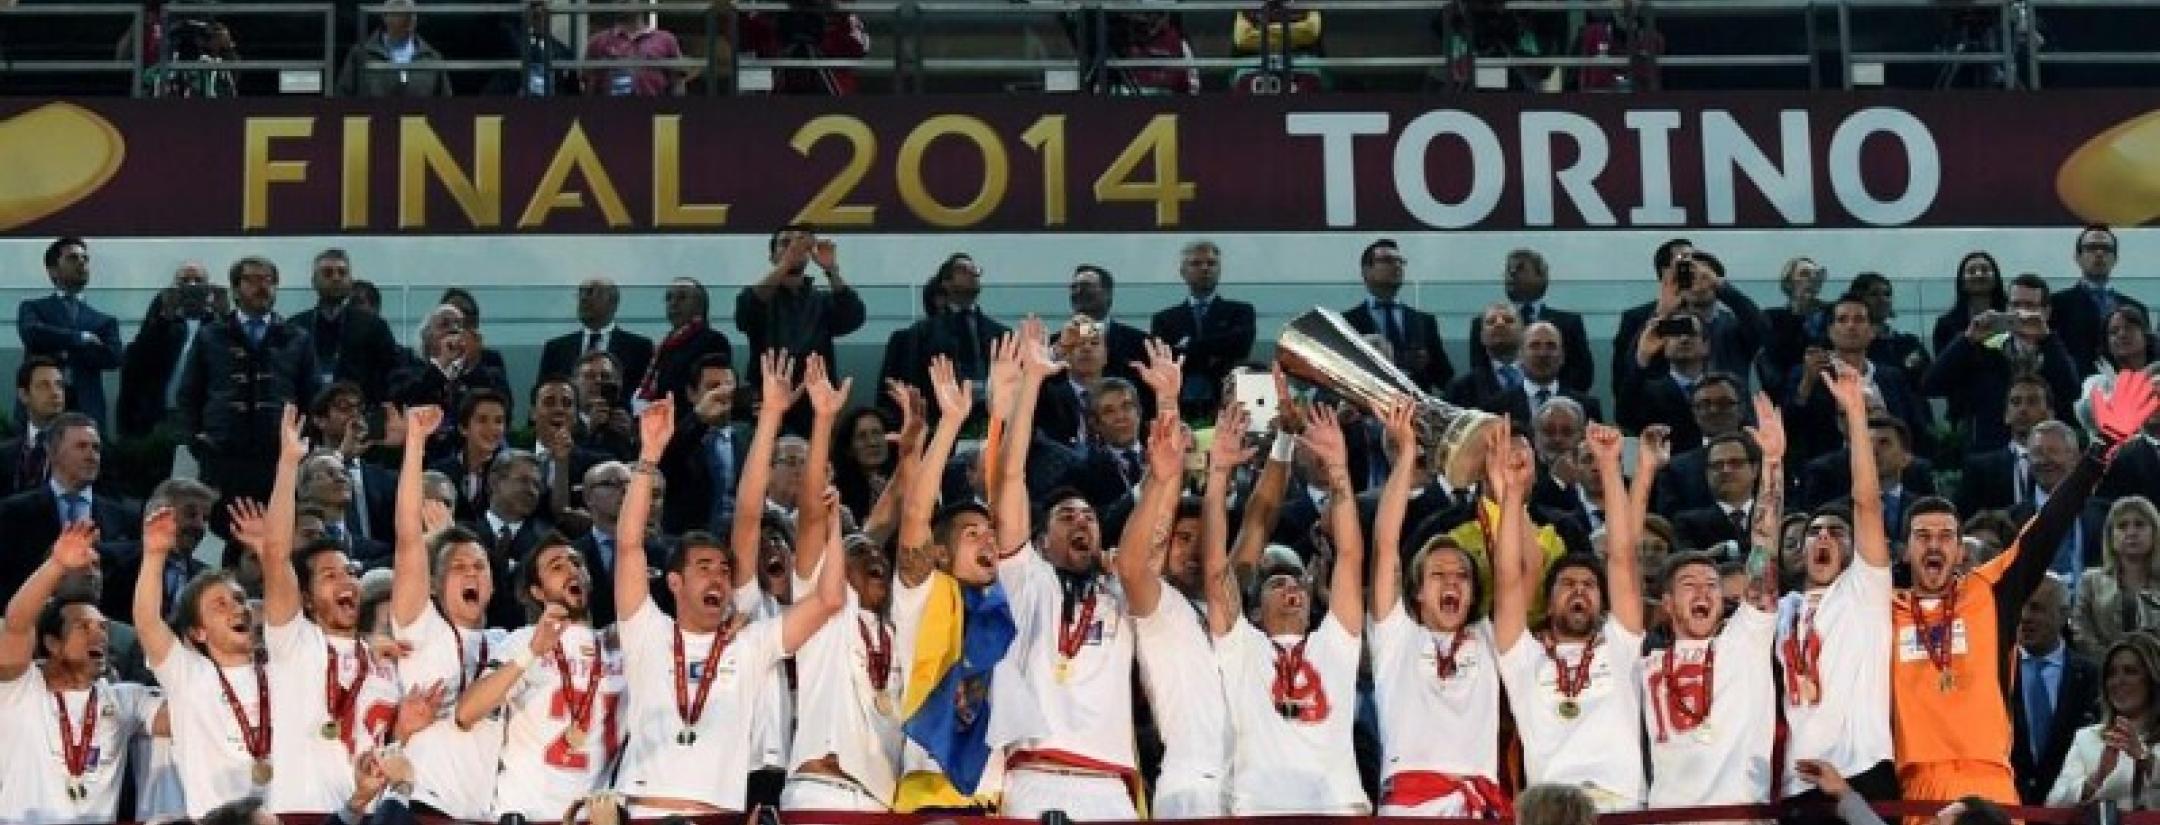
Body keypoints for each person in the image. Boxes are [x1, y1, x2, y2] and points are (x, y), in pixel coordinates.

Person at [1890, 368, 2156, 806]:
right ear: (1904, 551)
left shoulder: (1988, 589)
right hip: (1914, 792)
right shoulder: (1885, 608)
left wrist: (2100, 450)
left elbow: (2046, 528)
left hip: (1989, 786)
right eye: (1922, 536)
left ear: (1961, 551)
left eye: (1945, 536)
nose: (1934, 545)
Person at [612, 389, 845, 816]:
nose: (718, 575)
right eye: (705, 566)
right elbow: (628, 546)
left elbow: (830, 599)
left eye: (724, 568)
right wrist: (648, 457)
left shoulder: (751, 642)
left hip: (720, 811)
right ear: (676, 581)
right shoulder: (646, 630)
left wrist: (833, 530)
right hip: (645, 808)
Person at [132, 407, 301, 817]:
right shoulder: (189, 674)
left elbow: (283, 591)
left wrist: (288, 465)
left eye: (240, 600)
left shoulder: (283, 664)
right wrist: (154, 556)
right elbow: (148, 622)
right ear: (198, 633)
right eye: (219, 605)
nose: (237, 609)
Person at [1204, 400, 1369, 814]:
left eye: (1296, 582)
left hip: (1338, 805)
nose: (1291, 587)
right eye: (1276, 583)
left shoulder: (1335, 643)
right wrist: (1219, 475)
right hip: (1258, 807)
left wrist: (1338, 471)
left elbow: (1350, 556)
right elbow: (1215, 570)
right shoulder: (1241, 646)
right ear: (1254, 611)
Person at [1496, 414, 1650, 811]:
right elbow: (1510, 577)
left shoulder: (1621, 644)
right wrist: (1512, 495)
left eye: (1589, 586)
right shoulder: (1521, 654)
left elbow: (1622, 558)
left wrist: (1610, 468)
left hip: (1621, 807)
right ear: (1547, 603)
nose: (1579, 590)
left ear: (1603, 602)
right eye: (1567, 584)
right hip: (1549, 810)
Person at [1367, 395, 1508, 816]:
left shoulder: (1489, 637)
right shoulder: (1396, 637)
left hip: (1479, 805)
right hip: (1410, 806)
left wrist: (1502, 490)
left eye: (1462, 576)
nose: (1452, 583)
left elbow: (1509, 570)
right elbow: (1385, 546)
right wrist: (1407, 455)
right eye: (1439, 576)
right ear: (1417, 592)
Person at [1644, 394, 1783, 810]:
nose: (1704, 592)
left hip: (1739, 814)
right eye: (1690, 584)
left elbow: (1763, 552)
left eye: (1711, 584)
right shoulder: (1643, 662)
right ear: (1667, 603)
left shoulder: (1746, 640)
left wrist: (1772, 465)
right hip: (1665, 818)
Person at [1779, 363, 1900, 817]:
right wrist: (1773, 462)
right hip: (1796, 780)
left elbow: (1866, 502)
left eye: (1837, 531)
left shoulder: (1863, 590)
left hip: (1860, 769)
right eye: (1815, 531)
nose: (1825, 537)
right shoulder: (1783, 608)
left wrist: (1855, 415)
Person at [384, 405, 507, 821]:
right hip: (423, 803)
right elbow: (406, 541)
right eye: (458, 567)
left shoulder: (507, 644)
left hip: (484, 812)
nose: (471, 573)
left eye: (479, 566)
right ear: (435, 584)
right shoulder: (421, 625)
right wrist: (416, 442)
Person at [0, 520, 168, 824]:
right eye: (83, 626)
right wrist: (56, 565)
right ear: (51, 642)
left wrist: (155, 558)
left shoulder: (125, 700)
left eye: (103, 628)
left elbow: (196, 715)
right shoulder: (19, 689)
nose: (99, 635)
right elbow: (16, 624)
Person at [453, 531, 622, 821]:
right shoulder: (521, 641)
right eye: (557, 566)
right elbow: (466, 712)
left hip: (589, 817)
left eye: (577, 562)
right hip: (524, 814)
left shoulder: (618, 646)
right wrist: (531, 652)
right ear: (538, 592)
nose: (572, 570)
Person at [177, 256, 322, 510]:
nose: (262, 287)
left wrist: (304, 441)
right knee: (226, 529)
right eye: (252, 280)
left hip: (279, 456)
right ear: (234, 289)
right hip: (223, 455)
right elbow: (190, 394)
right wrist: (198, 440)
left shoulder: (297, 338)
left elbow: (313, 395)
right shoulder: (210, 335)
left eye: (268, 280)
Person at [736, 225, 867, 428]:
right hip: (768, 399)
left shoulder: (821, 300)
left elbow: (853, 317)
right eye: (785, 243)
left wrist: (831, 270)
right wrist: (786, 264)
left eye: (799, 245)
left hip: (814, 401)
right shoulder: (758, 295)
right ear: (772, 257)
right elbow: (745, 315)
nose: (794, 248)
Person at [2011, 577, 2101, 803]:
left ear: (2063, 614)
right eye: (2019, 606)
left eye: (2036, 608)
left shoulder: (2092, 677)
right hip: (2008, 808)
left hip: (2071, 809)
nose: (2024, 617)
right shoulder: (1993, 673)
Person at [2046, 632, 2160, 808]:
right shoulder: (2086, 738)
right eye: (2111, 673)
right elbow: (2053, 804)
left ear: (2153, 678)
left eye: (2130, 672)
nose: (2118, 681)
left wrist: (2145, 760)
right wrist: (2097, 778)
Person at [19, 237, 122, 429]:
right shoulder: (33, 308)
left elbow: (113, 357)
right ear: (52, 270)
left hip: (87, 411)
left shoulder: (104, 321)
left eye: (85, 259)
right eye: (73, 258)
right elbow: (32, 333)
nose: (82, 263)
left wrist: (57, 345)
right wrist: (81, 338)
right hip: (40, 411)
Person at [118, 262, 226, 439]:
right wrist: (165, 315)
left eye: (198, 281)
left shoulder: (217, 326)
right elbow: (137, 360)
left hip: (206, 418)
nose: (191, 286)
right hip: (163, 415)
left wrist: (223, 315)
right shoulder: (163, 323)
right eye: (184, 281)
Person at [1150, 240, 1255, 419]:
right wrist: (1216, 347)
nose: (1205, 268)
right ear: (1183, 272)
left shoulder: (1240, 311)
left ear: (1219, 270)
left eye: (1211, 263)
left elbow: (1240, 347)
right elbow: (1165, 359)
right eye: (1196, 263)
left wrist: (1187, 346)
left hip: (1227, 402)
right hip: (1180, 403)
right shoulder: (1164, 319)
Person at [288, 250, 401, 407]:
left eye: (342, 273)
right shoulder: (296, 326)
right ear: (314, 281)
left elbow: (390, 374)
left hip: (361, 416)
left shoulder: (374, 326)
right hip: (309, 416)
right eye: (328, 273)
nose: (336, 278)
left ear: (350, 280)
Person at [1343, 239, 1453, 393]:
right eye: (1387, 260)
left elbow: (1445, 377)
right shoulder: (1347, 322)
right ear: (1366, 271)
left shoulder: (1424, 321)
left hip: (1415, 408)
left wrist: (1427, 364)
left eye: (1400, 261)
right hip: (1368, 407)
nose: (1397, 266)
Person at [536, 278, 653, 410]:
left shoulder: (639, 348)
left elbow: (644, 397)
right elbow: (542, 393)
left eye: (591, 292)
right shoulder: (556, 348)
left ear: (613, 302)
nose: (584, 299)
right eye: (581, 293)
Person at [2054, 225, 2151, 377]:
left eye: (2106, 248)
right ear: (2077, 257)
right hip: (2076, 389)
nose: (2099, 253)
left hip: (2128, 388)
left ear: (2115, 258)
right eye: (2091, 248)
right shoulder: (2057, 304)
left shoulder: (2137, 308)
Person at [2075, 497, 2160, 661]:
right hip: (2103, 673)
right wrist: (2113, 662)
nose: (2131, 532)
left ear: (2155, 533)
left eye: (2140, 525)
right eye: (2122, 526)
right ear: (2110, 536)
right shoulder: (2090, 581)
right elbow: (2081, 633)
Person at [638, 278, 734, 412]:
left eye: (682, 297)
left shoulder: (713, 341)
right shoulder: (666, 344)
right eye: (669, 298)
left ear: (700, 306)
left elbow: (711, 390)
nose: (673, 304)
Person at [337, 0, 453, 97]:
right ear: (385, 17)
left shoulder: (432, 58)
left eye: (412, 14)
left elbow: (446, 104)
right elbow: (343, 96)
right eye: (401, 13)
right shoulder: (360, 55)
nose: (408, 19)